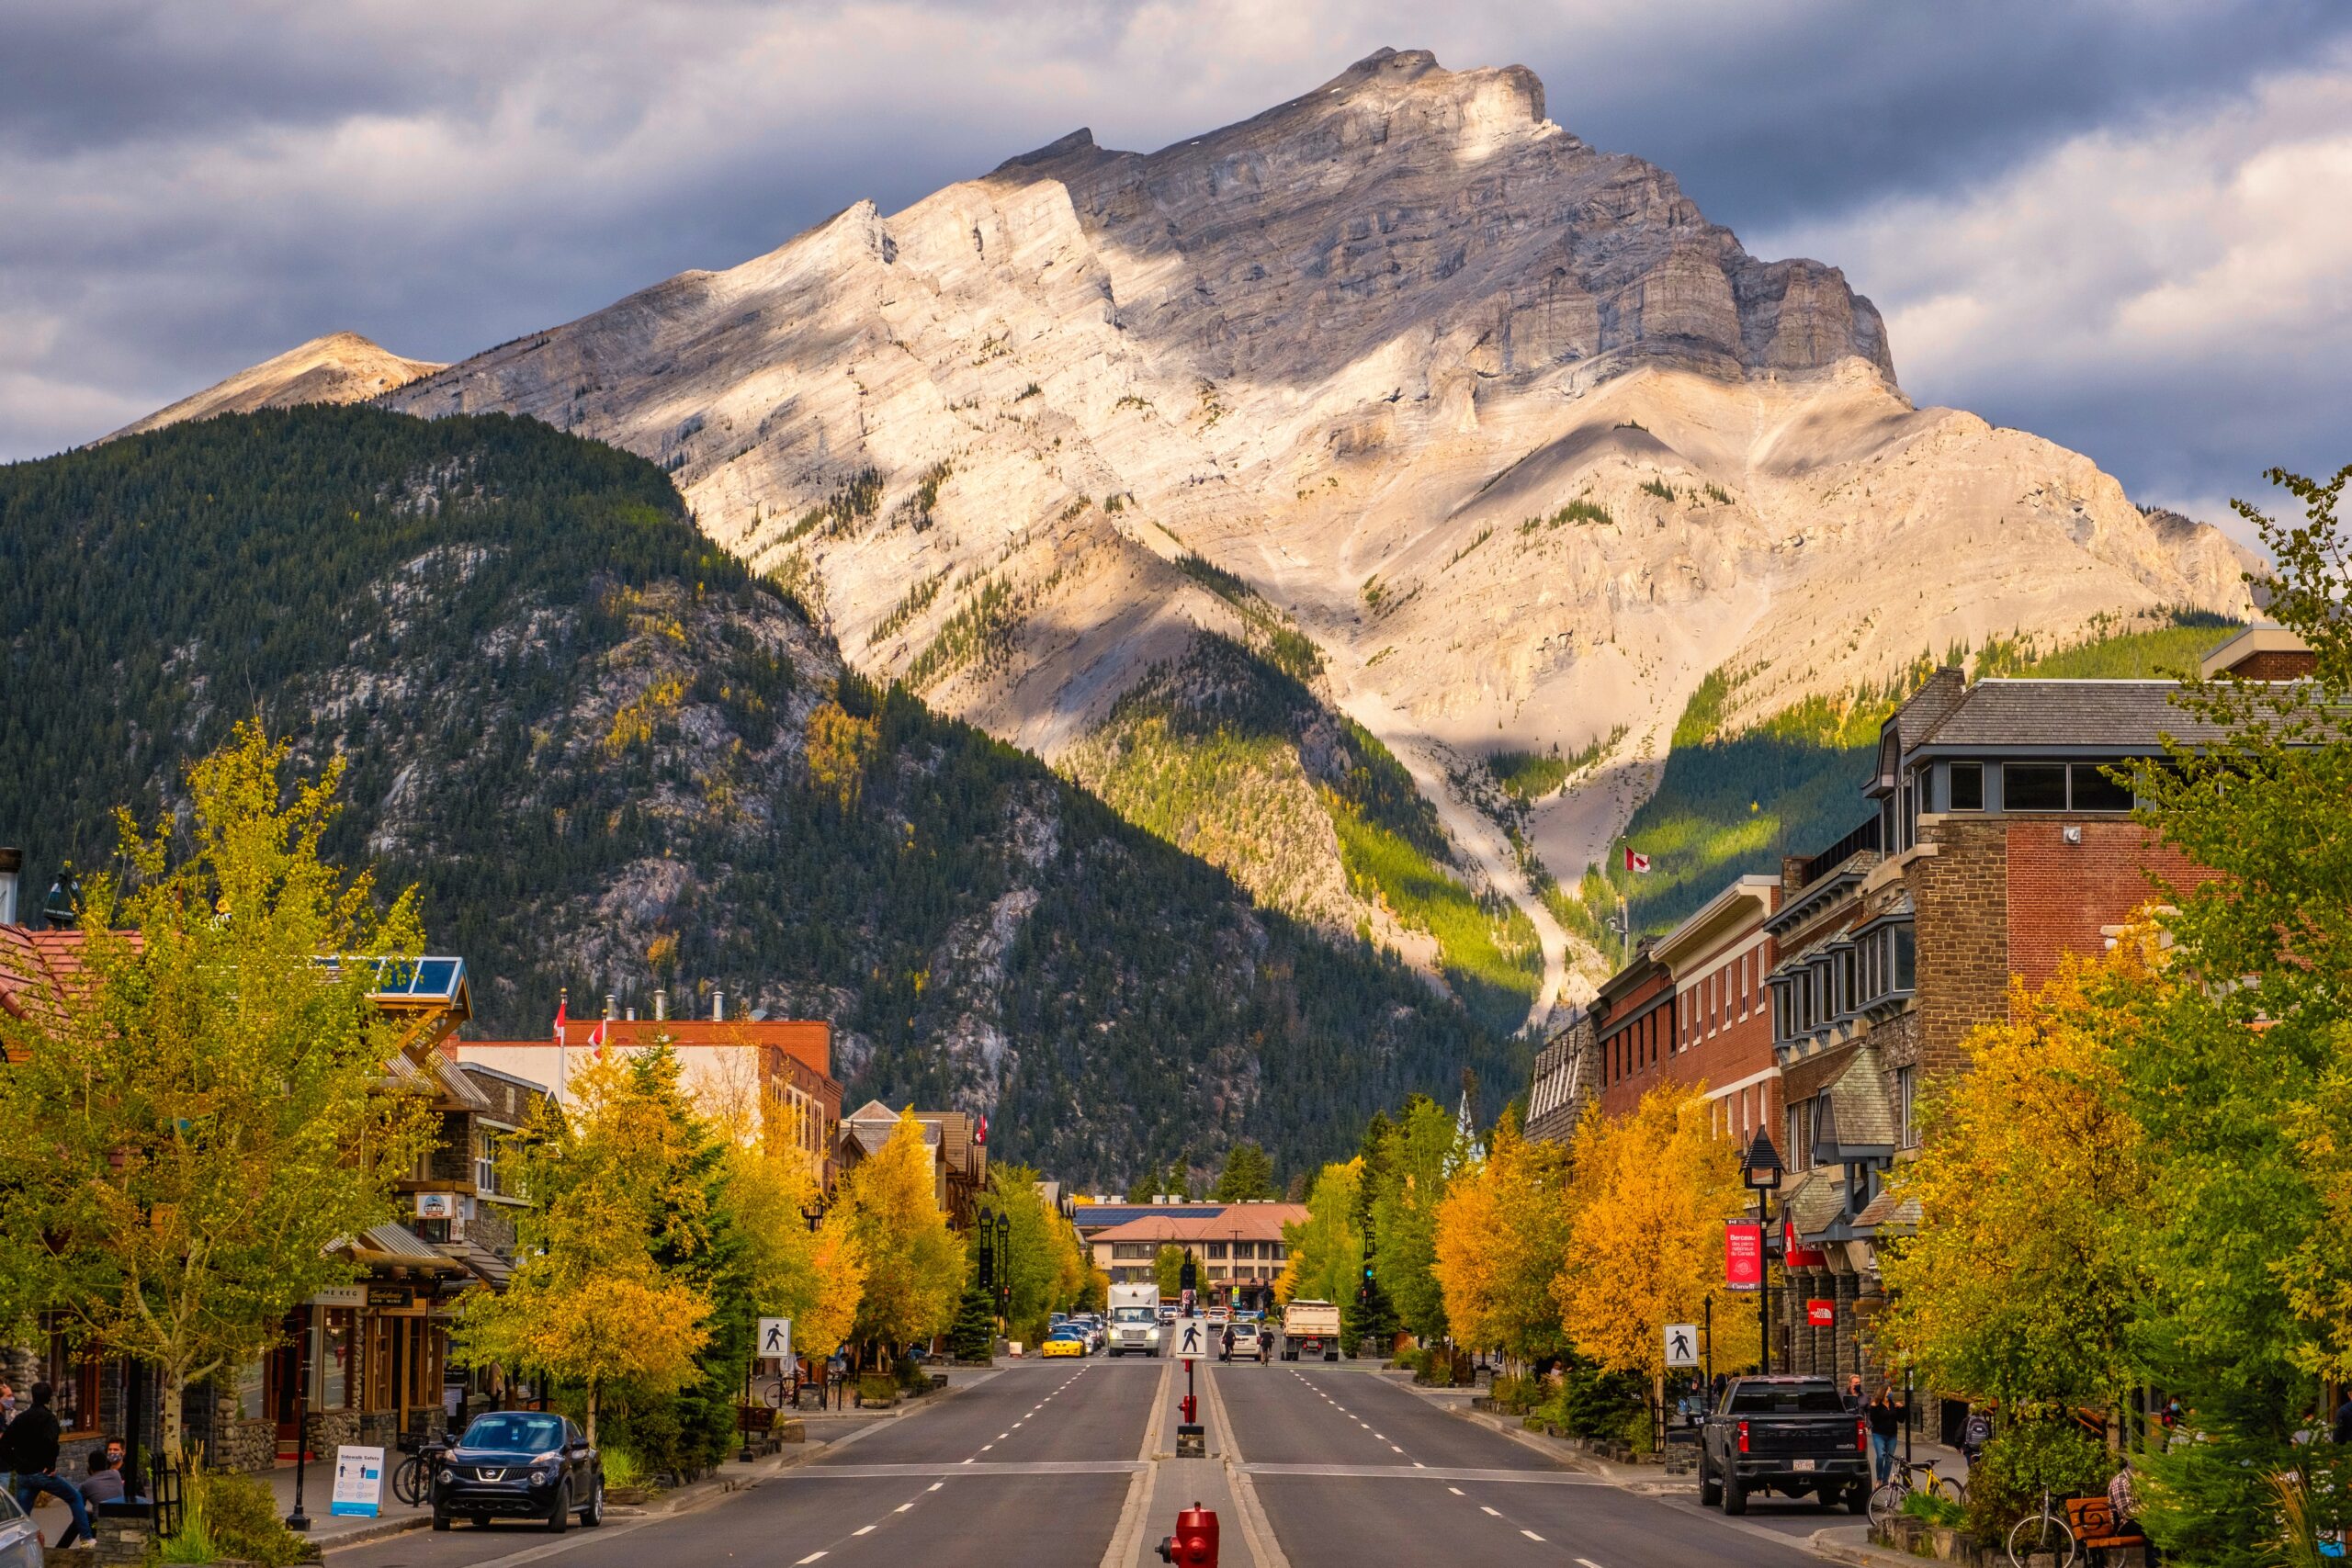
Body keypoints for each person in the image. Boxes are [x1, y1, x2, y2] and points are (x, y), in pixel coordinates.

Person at [0, 1383, 93, 1550]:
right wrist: (50, 1466)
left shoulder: (21, 1418)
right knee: (74, 1497)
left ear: (33, 1396)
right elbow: (51, 1443)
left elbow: (5, 1442)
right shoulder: (49, 1419)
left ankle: (16, 1547)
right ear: (49, 1398)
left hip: (24, 1474)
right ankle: (86, 1538)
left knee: (21, 1515)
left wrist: (15, 1463)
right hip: (42, 1473)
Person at [1866, 1387, 1903, 1484]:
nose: (1890, 1393)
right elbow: (1873, 1419)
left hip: (1892, 1436)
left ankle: (1885, 1481)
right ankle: (1879, 1478)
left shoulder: (1892, 1405)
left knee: (1889, 1459)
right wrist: (1874, 1408)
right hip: (1879, 1434)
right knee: (1881, 1456)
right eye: (1888, 1391)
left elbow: (1901, 1419)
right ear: (1883, 1392)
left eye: (1891, 1391)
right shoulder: (1877, 1405)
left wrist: (1901, 1408)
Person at [80, 1444, 125, 1509]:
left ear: (89, 1467)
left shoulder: (86, 1485)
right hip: (121, 1516)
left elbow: (79, 1506)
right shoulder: (116, 1473)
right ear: (106, 1464)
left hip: (101, 1519)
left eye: (115, 1449)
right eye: (110, 1449)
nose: (112, 1452)